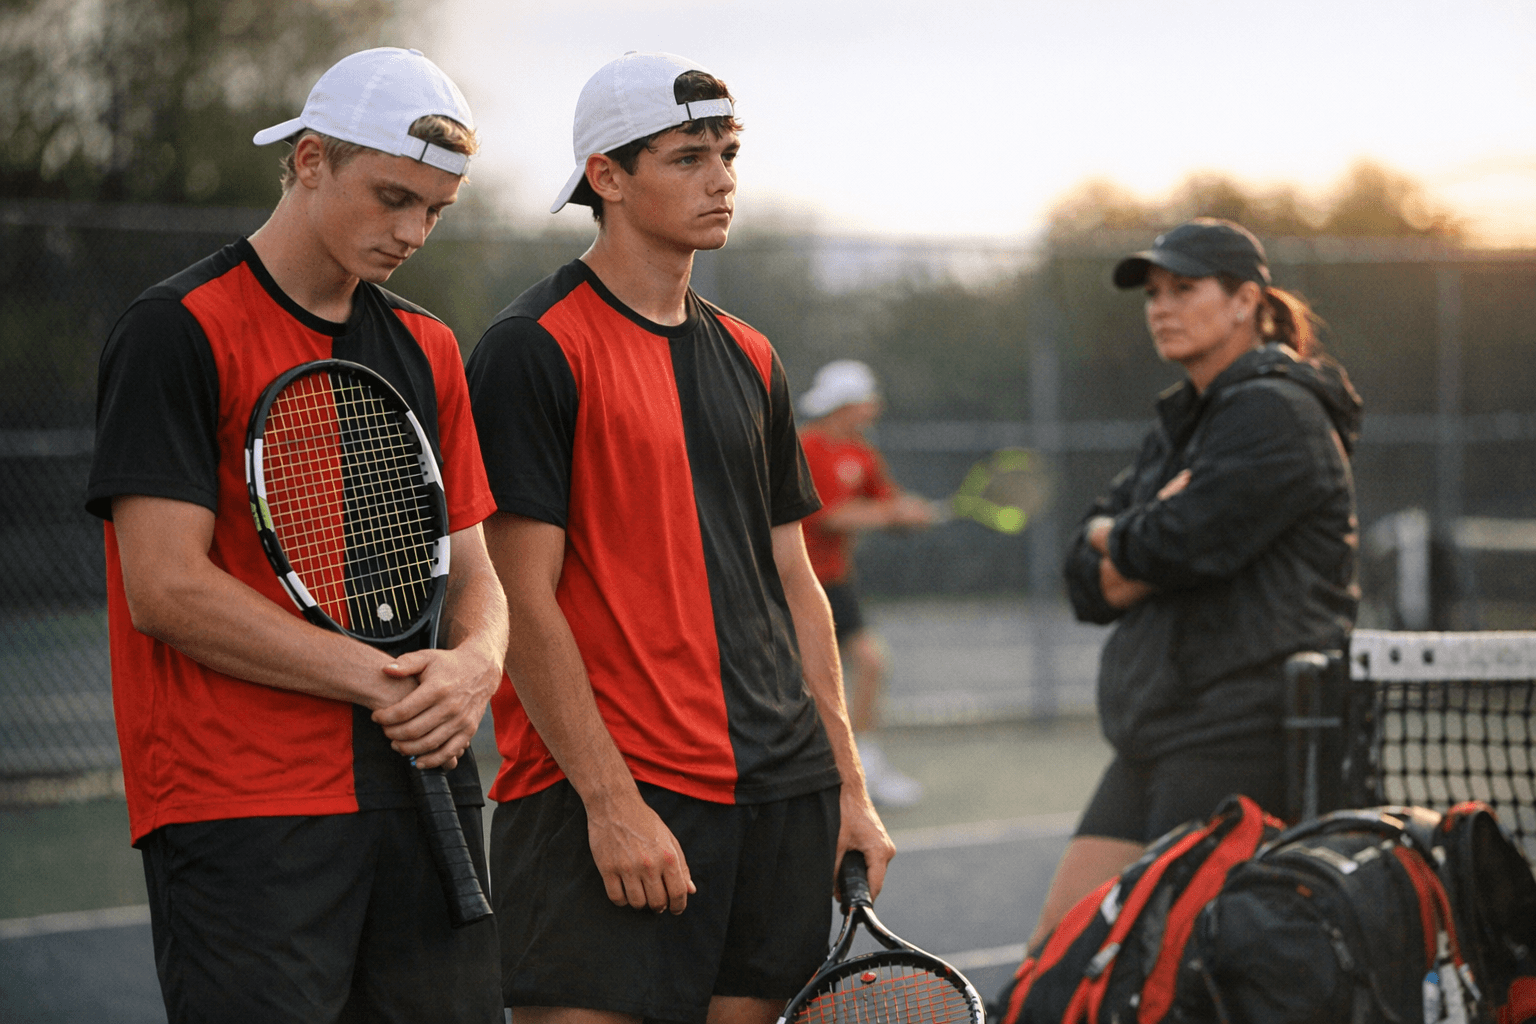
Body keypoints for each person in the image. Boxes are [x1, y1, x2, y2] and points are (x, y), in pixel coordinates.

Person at [464, 50, 895, 1024]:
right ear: (606, 177)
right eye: (688, 156)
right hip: (608, 793)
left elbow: (796, 582)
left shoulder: (752, 355)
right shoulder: (533, 347)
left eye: (729, 154)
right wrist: (610, 802)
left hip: (777, 788)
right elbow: (520, 599)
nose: (721, 179)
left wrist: (847, 787)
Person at [84, 48, 505, 1022]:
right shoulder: (175, 328)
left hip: (425, 794)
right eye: (393, 198)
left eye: (436, 211)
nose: (413, 232)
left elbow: (474, 572)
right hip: (244, 809)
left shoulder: (430, 346)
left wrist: (476, 665)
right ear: (311, 159)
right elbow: (165, 587)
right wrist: (380, 678)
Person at [1026, 218, 1362, 953]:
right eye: (1154, 294)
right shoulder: (1182, 421)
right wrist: (1135, 535)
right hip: (1159, 727)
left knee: (1169, 962)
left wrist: (1127, 536)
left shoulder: (1277, 410)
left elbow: (1173, 546)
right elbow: (1087, 583)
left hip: (1240, 730)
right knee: (1056, 952)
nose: (1162, 308)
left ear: (1245, 301)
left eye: (1184, 289)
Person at [796, 359, 935, 807]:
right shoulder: (807, 448)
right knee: (803, 682)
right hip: (792, 583)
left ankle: (865, 767)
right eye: (867, 399)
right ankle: (812, 778)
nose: (874, 407)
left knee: (871, 663)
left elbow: (886, 503)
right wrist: (891, 514)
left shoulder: (863, 453)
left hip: (836, 582)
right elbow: (830, 517)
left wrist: (909, 514)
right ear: (845, 404)